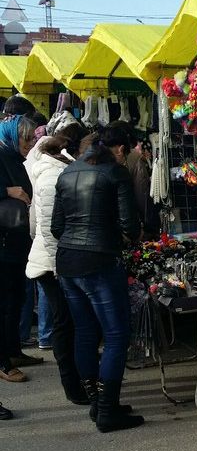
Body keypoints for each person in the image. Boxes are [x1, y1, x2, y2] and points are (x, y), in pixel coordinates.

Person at [51, 123, 144, 432]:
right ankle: (106, 410)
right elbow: (129, 224)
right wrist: (121, 238)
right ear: (115, 148)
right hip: (100, 259)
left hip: (68, 261)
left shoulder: (67, 173)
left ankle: (99, 403)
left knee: (86, 333)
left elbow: (56, 227)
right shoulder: (114, 173)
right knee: (116, 334)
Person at [25, 123, 92, 406]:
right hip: (53, 263)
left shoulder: (55, 170)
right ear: (75, 146)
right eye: (88, 144)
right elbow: (51, 229)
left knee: (68, 321)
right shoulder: (54, 174)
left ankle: (78, 379)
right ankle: (72, 386)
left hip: (55, 259)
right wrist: (59, 267)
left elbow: (36, 224)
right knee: (64, 323)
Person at [0, 115, 40, 383]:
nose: (29, 143)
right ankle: (3, 362)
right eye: (25, 137)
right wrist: (6, 190)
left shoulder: (13, 156)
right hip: (3, 242)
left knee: (16, 299)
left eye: (31, 137)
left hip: (16, 241)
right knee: (4, 302)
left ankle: (13, 351)